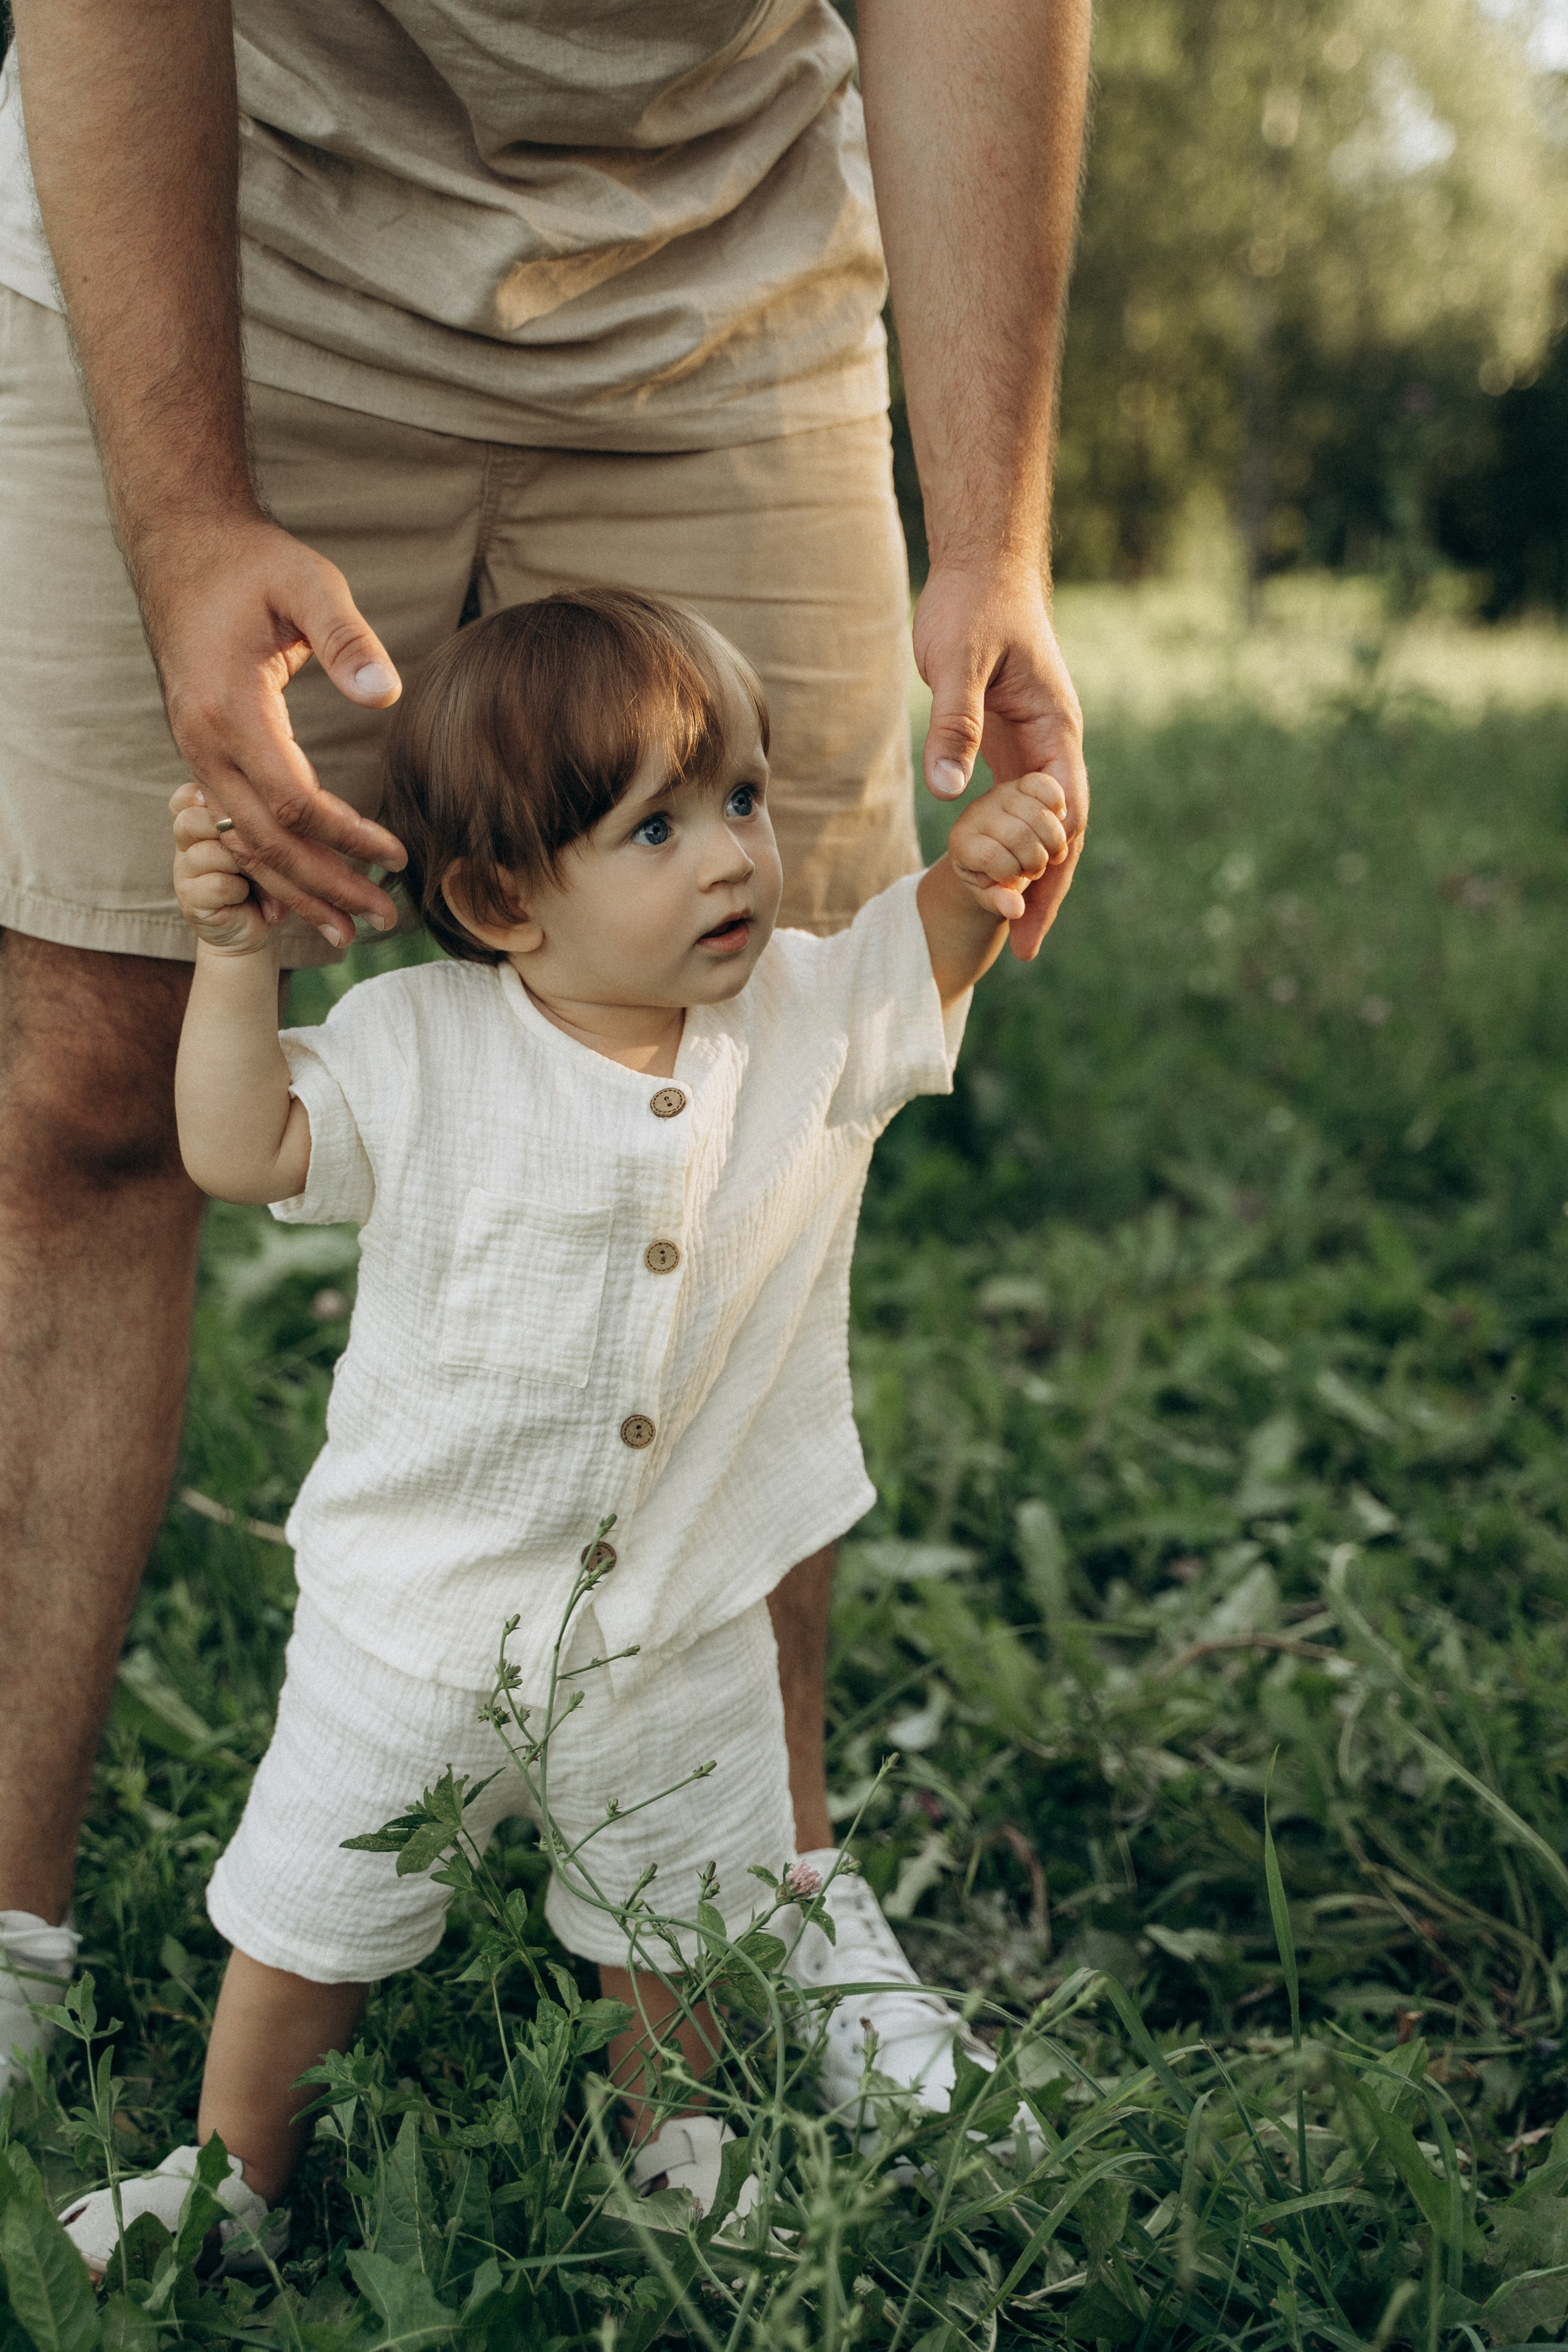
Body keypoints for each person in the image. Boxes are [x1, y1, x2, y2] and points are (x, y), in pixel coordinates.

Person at [0, 0, 1091, 2095]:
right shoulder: (399, 1060)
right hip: (238, 229)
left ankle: (754, 1876)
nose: (724, 853)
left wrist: (996, 535)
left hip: (722, 282)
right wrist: (182, 519)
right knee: (81, 1081)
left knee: (765, 1072)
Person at [56, 587, 1082, 2267]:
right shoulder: (420, 1047)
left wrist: (985, 870)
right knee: (314, 1914)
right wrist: (234, 961)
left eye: (742, 799)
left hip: (674, 1609)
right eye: (659, 828)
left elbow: (922, 955)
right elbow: (240, 1148)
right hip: (423, 1616)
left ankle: (668, 2137)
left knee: (669, 1911)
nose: (734, 857)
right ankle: (234, 2177)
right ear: (501, 899)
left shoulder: (803, 1020)